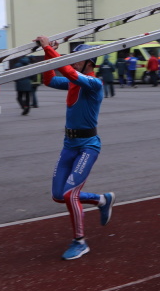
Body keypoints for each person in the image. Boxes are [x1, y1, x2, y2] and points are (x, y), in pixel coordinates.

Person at [34, 36, 117, 259]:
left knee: (71, 194)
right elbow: (49, 79)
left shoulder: (93, 83)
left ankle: (80, 242)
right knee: (58, 195)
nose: (74, 62)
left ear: (89, 62)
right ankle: (102, 200)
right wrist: (47, 54)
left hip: (88, 146)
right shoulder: (74, 82)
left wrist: (49, 48)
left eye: (78, 59)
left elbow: (70, 72)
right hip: (69, 145)